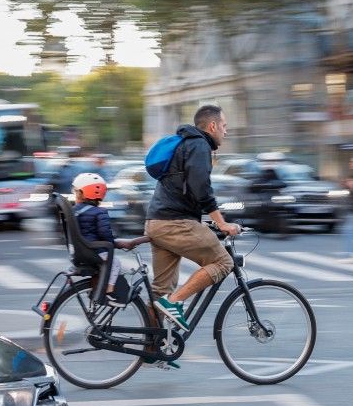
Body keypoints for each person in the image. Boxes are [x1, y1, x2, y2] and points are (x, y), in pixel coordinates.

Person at [144, 104, 239, 334]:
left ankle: (152, 348)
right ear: (213, 125)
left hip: (156, 222)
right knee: (224, 262)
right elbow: (201, 189)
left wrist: (204, 222)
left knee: (160, 290)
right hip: (174, 223)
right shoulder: (199, 145)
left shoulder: (186, 144)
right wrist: (221, 223)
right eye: (224, 126)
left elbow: (186, 190)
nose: (226, 131)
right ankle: (175, 302)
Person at [71, 172, 127, 303]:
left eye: (76, 192)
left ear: (81, 193)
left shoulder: (74, 210)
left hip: (80, 250)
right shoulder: (100, 212)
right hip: (94, 251)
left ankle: (97, 288)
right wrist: (112, 243)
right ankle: (109, 290)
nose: (75, 194)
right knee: (115, 263)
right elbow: (105, 233)